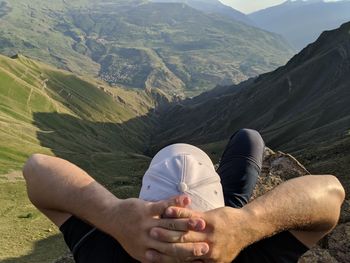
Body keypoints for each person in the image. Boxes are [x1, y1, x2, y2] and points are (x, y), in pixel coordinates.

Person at [22, 129, 345, 263]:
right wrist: (248, 223)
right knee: (249, 140)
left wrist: (112, 215)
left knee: (248, 143)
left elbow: (37, 167)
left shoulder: (109, 249)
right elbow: (331, 191)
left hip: (202, 224)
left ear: (145, 204)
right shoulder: (245, 250)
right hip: (225, 229)